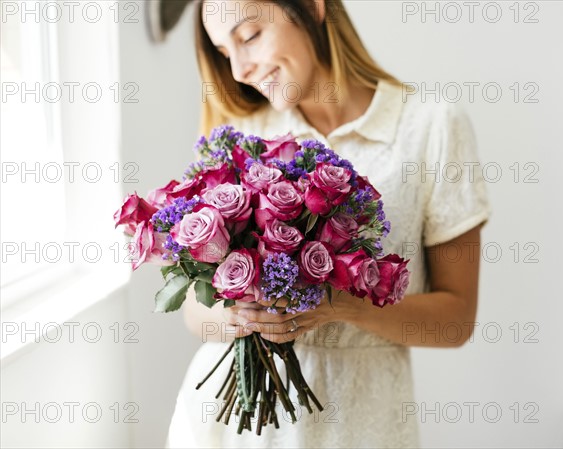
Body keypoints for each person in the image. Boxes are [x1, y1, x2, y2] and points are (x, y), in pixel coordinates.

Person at [166, 1, 492, 447]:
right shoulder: (240, 134)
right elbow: (193, 313)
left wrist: (341, 306)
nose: (240, 69)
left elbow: (455, 320)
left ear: (313, 8)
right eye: (225, 52)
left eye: (249, 37)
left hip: (361, 423)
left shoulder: (429, 127)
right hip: (231, 430)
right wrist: (239, 317)